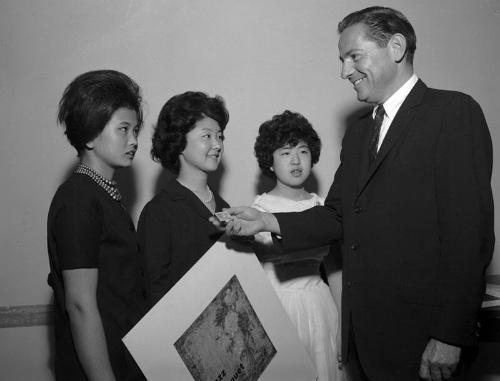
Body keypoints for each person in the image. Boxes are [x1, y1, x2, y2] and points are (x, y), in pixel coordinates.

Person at [219, 6, 494, 381]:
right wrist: (267, 220)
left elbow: (469, 235)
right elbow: (337, 215)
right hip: (363, 341)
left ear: (396, 47)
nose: (344, 71)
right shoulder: (360, 133)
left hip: (423, 340)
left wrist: (449, 334)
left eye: (354, 56)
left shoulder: (453, 113)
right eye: (342, 59)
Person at [47, 70, 149, 381]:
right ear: (90, 135)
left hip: (122, 357)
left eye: (135, 130)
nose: (134, 140)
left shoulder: (102, 193)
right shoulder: (78, 198)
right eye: (123, 129)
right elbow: (79, 305)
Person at [251, 110, 343, 381]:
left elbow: (336, 269)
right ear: (270, 161)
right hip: (276, 310)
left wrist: (343, 326)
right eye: (285, 152)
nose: (295, 160)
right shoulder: (259, 210)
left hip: (320, 307)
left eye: (302, 151)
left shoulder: (323, 208)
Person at [138, 91, 230, 305]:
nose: (217, 145)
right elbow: (155, 292)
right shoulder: (159, 212)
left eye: (220, 136)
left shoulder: (224, 207)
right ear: (178, 142)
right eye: (207, 136)